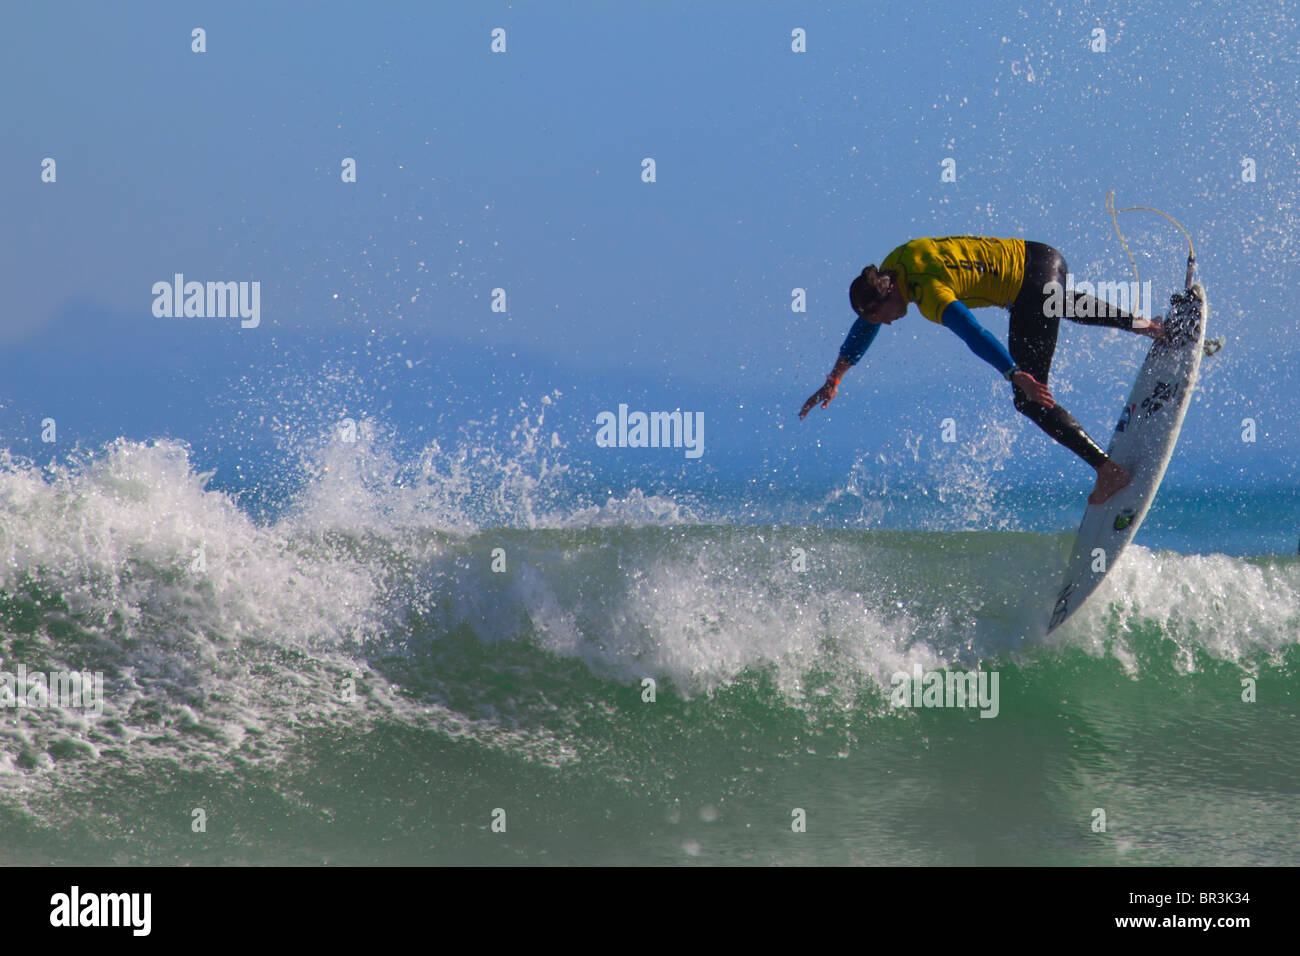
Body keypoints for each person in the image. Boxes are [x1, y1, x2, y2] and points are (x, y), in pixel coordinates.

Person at [799, 236, 1166, 505]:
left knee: (1030, 400)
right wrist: (835, 379)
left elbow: (973, 333)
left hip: (1029, 290)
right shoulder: (895, 261)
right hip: (1043, 257)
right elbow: (866, 325)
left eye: (882, 316)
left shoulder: (929, 295)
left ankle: (1107, 471)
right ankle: (1153, 327)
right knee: (1061, 304)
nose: (887, 324)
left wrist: (1014, 373)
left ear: (886, 296)